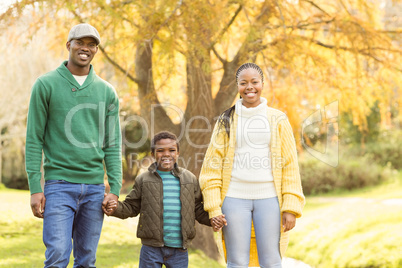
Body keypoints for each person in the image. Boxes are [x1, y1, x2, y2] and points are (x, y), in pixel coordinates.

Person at [25, 23, 122, 267]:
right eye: (80, 42)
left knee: (87, 259)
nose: (85, 48)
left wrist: (115, 188)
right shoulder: (45, 85)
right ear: (69, 45)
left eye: (92, 45)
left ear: (96, 50)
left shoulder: (107, 91)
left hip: (94, 188)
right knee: (57, 254)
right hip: (58, 185)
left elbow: (112, 144)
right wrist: (36, 187)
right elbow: (34, 139)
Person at [200, 63, 305, 268]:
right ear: (237, 86)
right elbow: (211, 166)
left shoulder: (278, 119)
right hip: (233, 198)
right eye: (244, 83)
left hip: (270, 198)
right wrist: (214, 207)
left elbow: (290, 165)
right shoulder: (225, 121)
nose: (250, 87)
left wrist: (291, 207)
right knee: (237, 262)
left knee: (272, 261)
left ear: (262, 84)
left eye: (254, 82)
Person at [103, 131, 223, 268]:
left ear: (178, 153)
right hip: (151, 249)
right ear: (153, 154)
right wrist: (115, 208)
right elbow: (131, 207)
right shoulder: (144, 179)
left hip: (180, 250)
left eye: (172, 150)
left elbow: (197, 209)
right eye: (160, 151)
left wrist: (213, 219)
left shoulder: (189, 179)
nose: (166, 154)